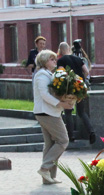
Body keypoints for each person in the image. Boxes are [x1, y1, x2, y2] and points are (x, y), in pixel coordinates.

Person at [33, 49, 75, 184]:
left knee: (50, 143)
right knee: (63, 140)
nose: (55, 61)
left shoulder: (47, 74)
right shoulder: (42, 75)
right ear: (44, 61)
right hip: (46, 112)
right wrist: (61, 104)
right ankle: (45, 168)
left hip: (48, 112)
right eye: (52, 59)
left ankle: (48, 177)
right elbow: (45, 95)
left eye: (55, 59)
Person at [57, 42, 95, 144]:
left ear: (60, 51)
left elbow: (60, 73)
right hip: (80, 87)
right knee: (82, 112)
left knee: (68, 112)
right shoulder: (78, 59)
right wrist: (82, 79)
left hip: (69, 88)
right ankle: (91, 131)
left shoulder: (61, 60)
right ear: (69, 49)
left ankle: (71, 136)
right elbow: (86, 71)